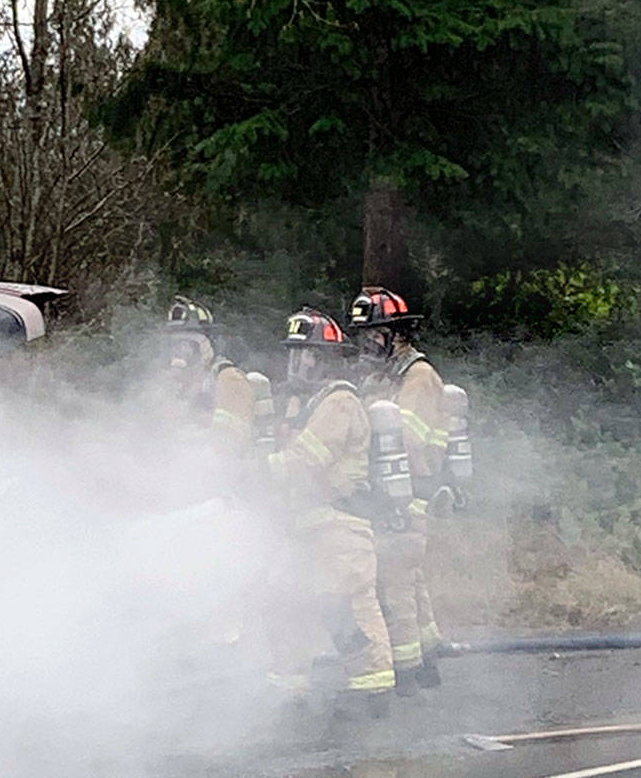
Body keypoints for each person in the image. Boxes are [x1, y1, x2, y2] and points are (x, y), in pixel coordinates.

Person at [266, 308, 395, 712]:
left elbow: (305, 459)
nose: (299, 364)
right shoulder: (304, 402)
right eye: (294, 355)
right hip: (306, 524)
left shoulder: (339, 402)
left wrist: (253, 472)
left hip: (340, 525)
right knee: (288, 600)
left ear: (325, 358)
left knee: (351, 606)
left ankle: (374, 691)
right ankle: (289, 687)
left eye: (308, 355)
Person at [348, 286, 447, 690]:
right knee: (410, 579)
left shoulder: (419, 378)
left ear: (397, 334)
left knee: (395, 583)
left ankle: (407, 671)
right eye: (363, 336)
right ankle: (428, 660)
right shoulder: (384, 376)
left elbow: (406, 439)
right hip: (394, 489)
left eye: (373, 334)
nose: (366, 344)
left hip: (413, 490)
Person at [163, 297, 257, 485]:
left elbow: (229, 445)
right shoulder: (181, 389)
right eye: (174, 346)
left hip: (224, 491)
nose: (179, 355)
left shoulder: (228, 379)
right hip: (183, 484)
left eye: (186, 346)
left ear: (205, 345)